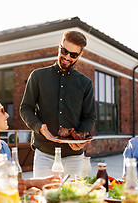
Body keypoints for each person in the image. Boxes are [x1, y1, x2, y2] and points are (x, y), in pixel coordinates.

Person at [20, 30, 96, 178]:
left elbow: (89, 117)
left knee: (73, 198)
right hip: (44, 153)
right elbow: (25, 108)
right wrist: (39, 127)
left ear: (79, 56)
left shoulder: (86, 83)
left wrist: (80, 139)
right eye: (64, 51)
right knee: (44, 196)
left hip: (74, 156)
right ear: (59, 47)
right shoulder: (37, 76)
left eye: (73, 55)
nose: (67, 57)